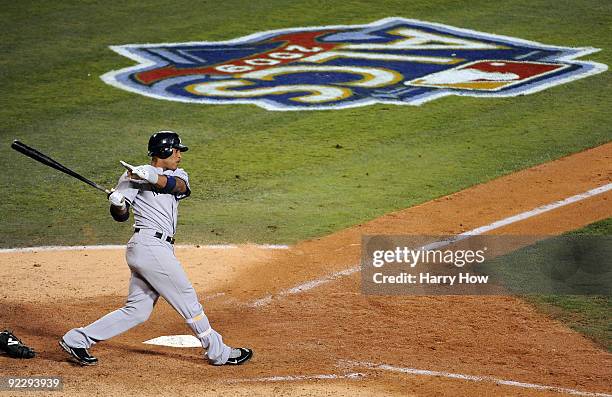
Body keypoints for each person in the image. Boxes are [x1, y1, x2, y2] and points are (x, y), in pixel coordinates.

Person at [59, 130, 252, 366]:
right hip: (149, 246)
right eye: (177, 150)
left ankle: (77, 339)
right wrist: (118, 204)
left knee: (137, 310)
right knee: (188, 300)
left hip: (155, 249)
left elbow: (177, 187)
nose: (180, 155)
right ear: (165, 151)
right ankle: (218, 352)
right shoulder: (132, 177)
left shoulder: (176, 174)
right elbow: (120, 216)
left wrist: (150, 175)